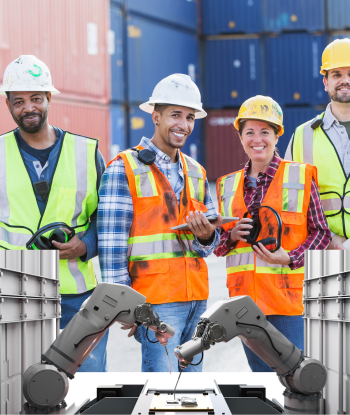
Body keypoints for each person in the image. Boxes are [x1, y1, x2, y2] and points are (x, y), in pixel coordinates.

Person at [97, 73, 221, 372]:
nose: (184, 124)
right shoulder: (124, 168)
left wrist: (205, 237)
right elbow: (111, 245)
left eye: (190, 117)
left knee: (193, 391)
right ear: (156, 116)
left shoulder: (197, 172)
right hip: (155, 303)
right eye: (175, 115)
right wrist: (125, 306)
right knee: (163, 391)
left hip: (197, 299)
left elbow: (210, 245)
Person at [0, 55, 108, 371]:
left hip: (79, 294)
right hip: (18, 290)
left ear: (49, 98)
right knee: (23, 386)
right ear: (8, 104)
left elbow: (109, 217)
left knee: (88, 383)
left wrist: (86, 244)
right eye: (18, 101)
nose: (28, 107)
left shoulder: (86, 152)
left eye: (35, 98)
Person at [214, 95, 331, 372]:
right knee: (261, 382)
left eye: (265, 132)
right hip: (244, 303)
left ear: (277, 135)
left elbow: (321, 234)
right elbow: (217, 247)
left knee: (295, 380)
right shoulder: (227, 185)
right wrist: (231, 237)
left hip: (287, 303)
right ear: (241, 137)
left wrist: (289, 257)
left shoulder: (299, 177)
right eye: (250, 132)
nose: (258, 139)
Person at [285, 38, 350, 249]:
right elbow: (289, 203)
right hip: (323, 254)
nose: (344, 80)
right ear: (325, 82)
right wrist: (328, 240)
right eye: (336, 74)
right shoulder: (303, 135)